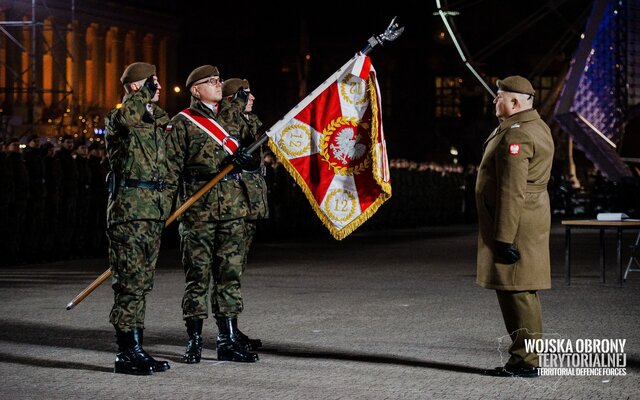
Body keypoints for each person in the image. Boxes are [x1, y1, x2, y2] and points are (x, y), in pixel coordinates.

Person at [167, 65, 258, 364]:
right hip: (198, 211)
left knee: (229, 276)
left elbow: (254, 143)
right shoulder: (182, 123)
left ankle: (227, 339)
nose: (219, 85)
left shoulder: (230, 116)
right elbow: (171, 169)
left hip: (232, 208)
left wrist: (247, 154)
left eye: (219, 80)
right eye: (212, 81)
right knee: (197, 277)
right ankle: (194, 339)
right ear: (195, 89)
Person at [476, 76, 554, 378]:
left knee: (516, 292)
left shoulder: (516, 136)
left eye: (499, 97)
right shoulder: (537, 127)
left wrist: (504, 237)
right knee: (523, 291)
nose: (495, 101)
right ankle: (526, 358)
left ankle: (525, 361)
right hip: (531, 218)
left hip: (516, 223)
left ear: (515, 102)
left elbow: (511, 190)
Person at [104, 62, 174, 375]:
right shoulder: (119, 117)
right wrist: (139, 98)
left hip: (153, 212)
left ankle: (136, 347)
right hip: (129, 212)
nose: (158, 86)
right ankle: (125, 353)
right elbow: (126, 119)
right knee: (129, 283)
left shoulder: (159, 120)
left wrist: (167, 202)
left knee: (143, 283)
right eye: (151, 82)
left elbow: (168, 167)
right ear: (135, 86)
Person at [219, 78, 268, 350]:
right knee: (229, 270)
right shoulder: (228, 121)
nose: (251, 98)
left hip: (248, 204)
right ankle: (226, 334)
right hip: (233, 203)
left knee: (237, 270)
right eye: (244, 94)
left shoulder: (248, 120)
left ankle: (232, 330)